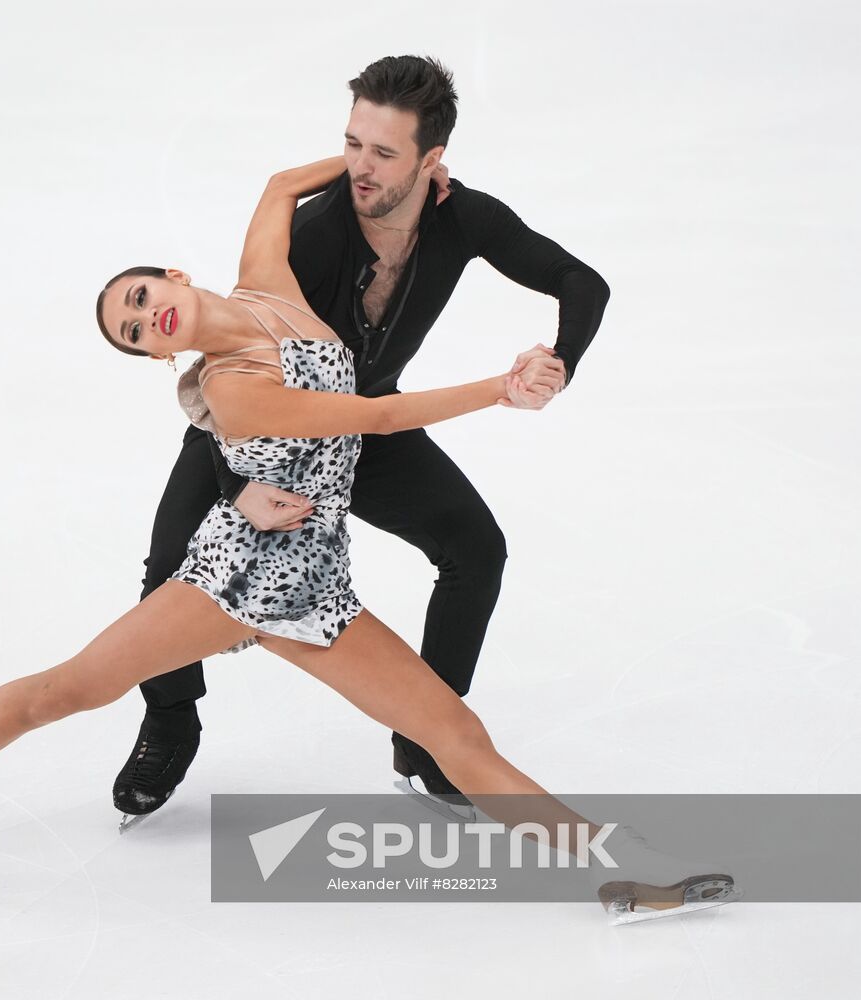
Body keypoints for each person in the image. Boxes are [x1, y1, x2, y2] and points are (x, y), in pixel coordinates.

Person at [0, 154, 736, 924]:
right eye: (132, 332)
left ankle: (619, 874)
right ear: (156, 355)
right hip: (236, 575)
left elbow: (280, 187)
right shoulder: (235, 377)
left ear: (172, 275)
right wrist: (498, 386)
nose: (143, 317)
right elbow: (367, 416)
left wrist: (392, 169)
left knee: (452, 731)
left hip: (316, 579)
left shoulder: (268, 288)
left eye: (139, 296)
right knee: (62, 691)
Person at [114, 55, 612, 824]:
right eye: (351, 145)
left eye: (384, 153)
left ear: (430, 160)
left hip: (364, 421)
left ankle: (427, 742)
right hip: (251, 433)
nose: (360, 168)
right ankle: (171, 718)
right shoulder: (317, 235)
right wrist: (235, 487)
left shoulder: (463, 216)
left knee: (474, 547)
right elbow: (231, 376)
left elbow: (582, 283)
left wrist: (558, 363)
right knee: (168, 563)